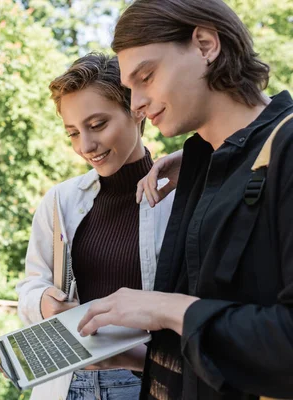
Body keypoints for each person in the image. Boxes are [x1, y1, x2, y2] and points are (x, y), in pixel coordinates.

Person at [76, 1, 293, 399]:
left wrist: (163, 308)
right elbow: (217, 351)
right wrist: (135, 357)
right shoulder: (196, 166)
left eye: (147, 76)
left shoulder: (286, 151)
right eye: (129, 89)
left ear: (206, 44)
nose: (137, 103)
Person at [16, 53, 174, 400]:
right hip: (64, 382)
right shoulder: (60, 200)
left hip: (143, 381)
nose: (86, 146)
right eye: (73, 132)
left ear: (136, 109)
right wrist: (44, 300)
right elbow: (30, 284)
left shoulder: (178, 198)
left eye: (98, 124)